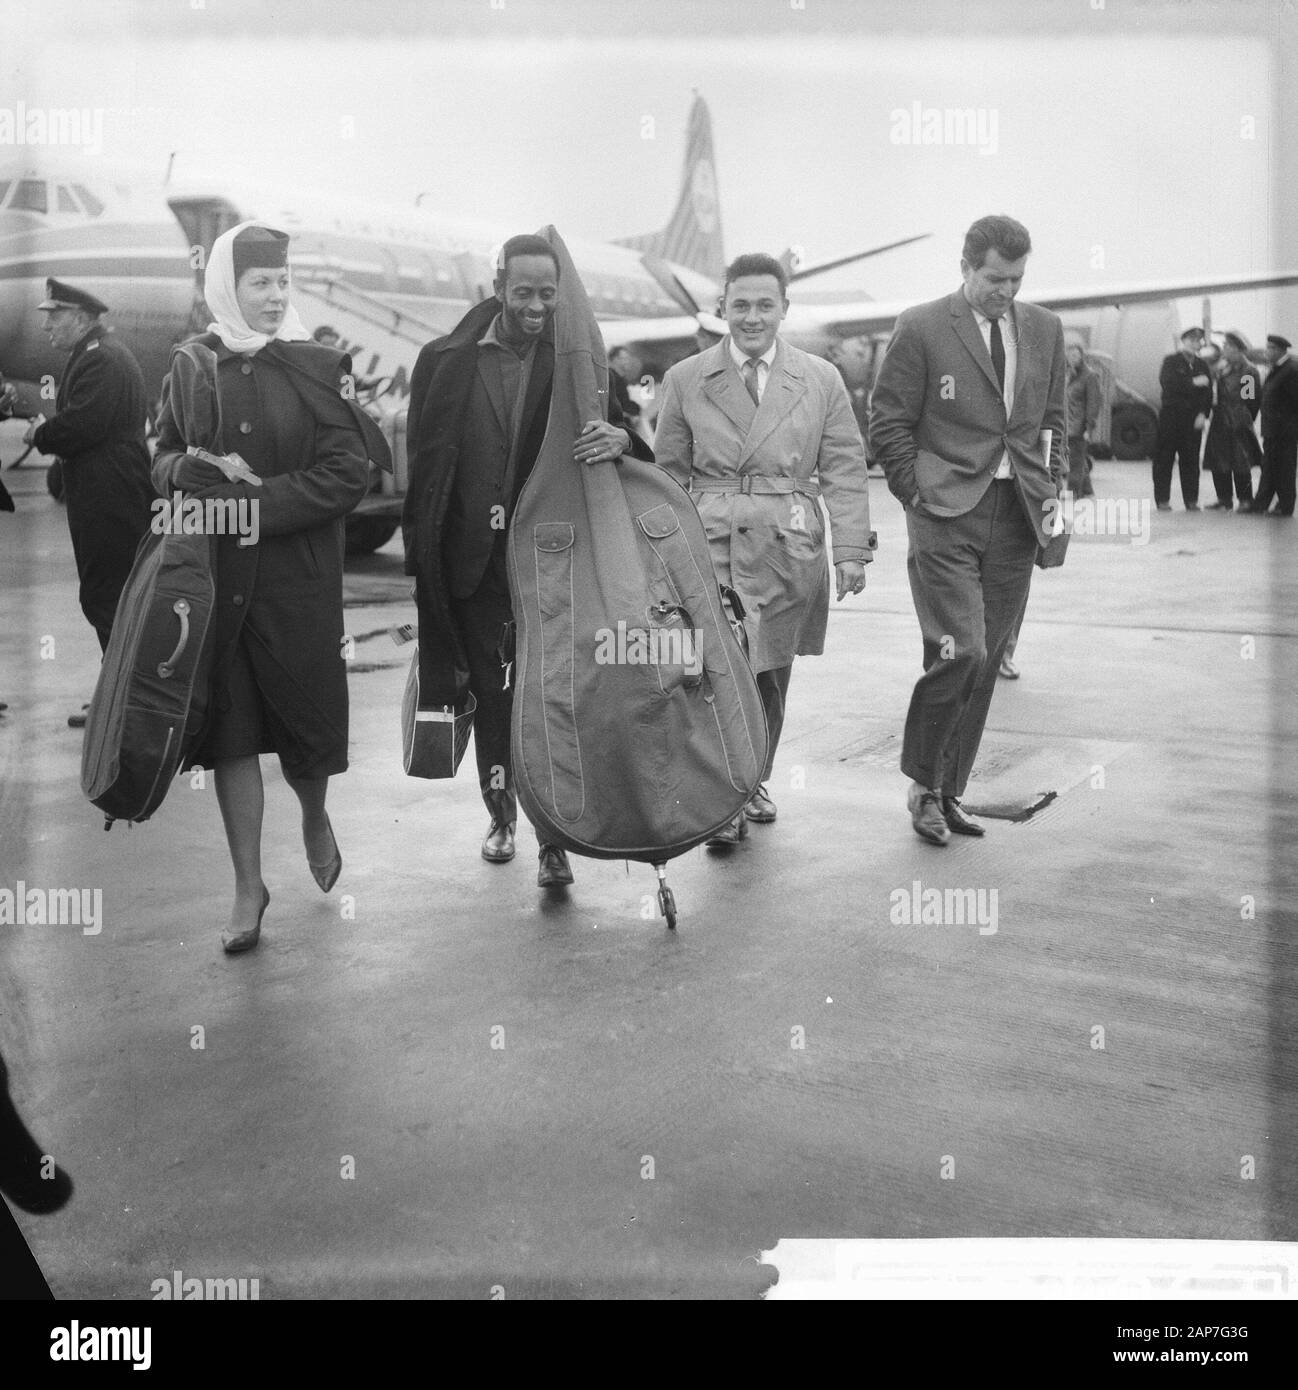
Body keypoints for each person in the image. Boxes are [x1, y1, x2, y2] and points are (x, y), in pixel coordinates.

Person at [153, 223, 382, 953]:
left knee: (306, 733)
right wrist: (174, 474)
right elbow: (156, 458)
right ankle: (248, 885)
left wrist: (254, 504)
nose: (275, 296)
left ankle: (314, 815)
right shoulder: (192, 367)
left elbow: (350, 473)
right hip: (221, 589)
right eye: (260, 283)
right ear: (228, 286)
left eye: (283, 282)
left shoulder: (316, 366)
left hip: (298, 586)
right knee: (232, 738)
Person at [402, 234, 653, 888]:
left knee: (551, 701)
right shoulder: (444, 360)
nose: (538, 306)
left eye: (549, 293)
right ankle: (502, 814)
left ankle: (553, 837)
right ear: (498, 285)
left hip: (551, 563)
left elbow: (630, 440)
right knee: (493, 697)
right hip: (474, 567)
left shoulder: (579, 361)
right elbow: (425, 473)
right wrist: (423, 566)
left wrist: (622, 438)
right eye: (524, 293)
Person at [653, 252, 874, 844]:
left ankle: (754, 780)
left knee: (770, 672)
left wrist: (851, 550)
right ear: (723, 307)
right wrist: (659, 558)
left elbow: (846, 468)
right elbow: (667, 477)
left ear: (784, 309)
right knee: (713, 670)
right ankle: (722, 797)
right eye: (741, 305)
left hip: (788, 537)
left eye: (765, 305)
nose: (752, 318)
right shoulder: (686, 378)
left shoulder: (821, 378)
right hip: (710, 537)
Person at [869, 214, 1066, 846]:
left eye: (1016, 279)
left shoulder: (1044, 329)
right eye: (993, 278)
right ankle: (924, 788)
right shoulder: (922, 326)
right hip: (946, 512)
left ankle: (948, 791)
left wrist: (1052, 487)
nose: (1005, 291)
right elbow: (888, 423)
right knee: (963, 650)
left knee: (985, 661)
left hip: (1017, 513)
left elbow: (1053, 423)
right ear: (964, 268)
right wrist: (917, 494)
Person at [22, 280, 156, 726]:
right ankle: (122, 696)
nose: (47, 326)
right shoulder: (98, 353)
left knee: (108, 597)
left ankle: (126, 703)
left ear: (80, 318)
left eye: (54, 316)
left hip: (109, 496)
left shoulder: (101, 358)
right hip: (108, 492)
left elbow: (83, 426)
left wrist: (40, 434)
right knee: (111, 596)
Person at [1152, 326, 1212, 512]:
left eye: (1198, 341)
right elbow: (1168, 384)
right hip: (1171, 419)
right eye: (1192, 340)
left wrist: (1204, 414)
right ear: (1183, 341)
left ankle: (1191, 500)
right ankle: (1162, 499)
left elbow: (1207, 393)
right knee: (1164, 460)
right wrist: (1193, 382)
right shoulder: (1171, 361)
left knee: (1191, 462)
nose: (1196, 344)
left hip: (1192, 420)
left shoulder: (1202, 365)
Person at [1203, 334, 1261, 510]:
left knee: (1240, 462)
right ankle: (1224, 499)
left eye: (1227, 345)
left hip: (1238, 419)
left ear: (1237, 348)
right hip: (1220, 418)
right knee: (1218, 461)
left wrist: (1244, 418)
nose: (1224, 349)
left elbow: (1251, 400)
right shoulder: (1222, 368)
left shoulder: (1248, 370)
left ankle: (1245, 500)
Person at [1248, 334, 1298, 517]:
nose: (1266, 351)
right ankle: (1260, 504)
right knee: (1270, 467)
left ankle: (1285, 506)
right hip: (1272, 429)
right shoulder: (1277, 368)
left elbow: (1295, 401)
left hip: (1284, 431)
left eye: (1270, 348)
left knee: (1284, 469)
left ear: (1279, 350)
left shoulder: (1291, 369)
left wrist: (1289, 426)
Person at [1065, 334, 1101, 498]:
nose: (1071, 358)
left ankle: (1074, 492)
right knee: (1079, 458)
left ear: (1081, 356)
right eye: (1069, 355)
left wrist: (1089, 427)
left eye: (1075, 355)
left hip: (1078, 426)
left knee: (1075, 461)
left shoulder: (1089, 376)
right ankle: (1087, 490)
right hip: (1067, 424)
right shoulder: (1068, 375)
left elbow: (1093, 403)